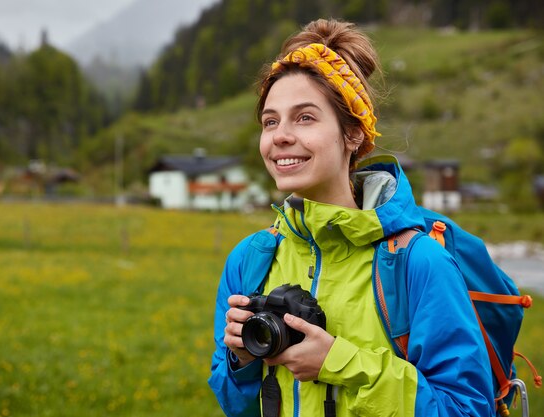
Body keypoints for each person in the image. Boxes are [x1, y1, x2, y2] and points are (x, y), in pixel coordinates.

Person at [208, 18, 495, 417]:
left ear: (353, 134)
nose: (280, 136)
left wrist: (340, 363)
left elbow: (467, 409)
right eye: (270, 121)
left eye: (305, 117)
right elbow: (233, 404)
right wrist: (241, 360)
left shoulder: (416, 263)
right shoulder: (250, 260)